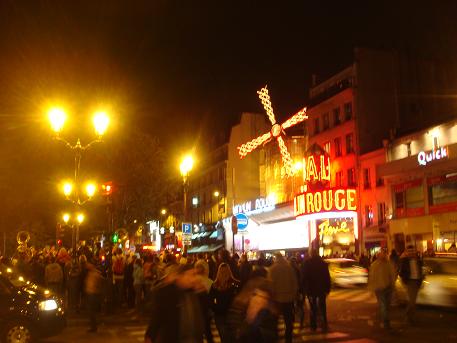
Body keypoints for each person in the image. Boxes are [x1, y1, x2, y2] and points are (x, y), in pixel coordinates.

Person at [144, 264, 205, 343]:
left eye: (194, 275)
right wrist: (150, 335)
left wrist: (202, 292)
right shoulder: (166, 292)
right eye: (191, 275)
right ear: (181, 276)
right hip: (173, 338)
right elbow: (157, 317)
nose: (193, 279)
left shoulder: (194, 292)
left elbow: (203, 317)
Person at [268, 253, 298, 343]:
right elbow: (295, 283)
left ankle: (275, 338)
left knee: (275, 321)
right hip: (288, 299)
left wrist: (271, 298)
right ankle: (288, 339)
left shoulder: (272, 269)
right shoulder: (289, 268)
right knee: (288, 321)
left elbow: (270, 285)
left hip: (277, 299)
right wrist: (293, 295)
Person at [209, 263, 239, 342]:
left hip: (219, 314)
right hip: (231, 315)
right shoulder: (234, 285)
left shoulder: (215, 285)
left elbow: (210, 300)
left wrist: (216, 308)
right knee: (231, 337)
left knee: (223, 336)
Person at [302, 250, 331, 332]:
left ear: (311, 254)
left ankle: (313, 324)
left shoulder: (307, 263)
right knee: (322, 306)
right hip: (321, 288)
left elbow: (304, 277)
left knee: (313, 307)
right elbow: (327, 277)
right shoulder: (323, 263)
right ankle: (324, 322)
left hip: (311, 289)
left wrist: (304, 288)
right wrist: (328, 288)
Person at [368, 249, 396, 329]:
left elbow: (392, 275)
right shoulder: (376, 265)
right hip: (381, 288)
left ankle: (384, 318)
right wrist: (371, 288)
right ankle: (385, 321)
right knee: (384, 305)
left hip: (385, 287)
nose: (383, 256)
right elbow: (372, 277)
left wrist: (393, 285)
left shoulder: (387, 264)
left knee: (385, 305)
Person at [399, 245, 423, 324]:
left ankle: (410, 318)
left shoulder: (418, 260)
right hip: (410, 282)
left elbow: (421, 270)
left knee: (413, 301)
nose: (411, 253)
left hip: (417, 281)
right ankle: (408, 317)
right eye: (409, 251)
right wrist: (405, 280)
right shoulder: (404, 261)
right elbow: (401, 272)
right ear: (406, 252)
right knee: (412, 301)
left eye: (413, 251)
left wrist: (421, 279)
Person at [84, 259, 104, 333]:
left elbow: (99, 284)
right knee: (91, 311)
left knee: (92, 311)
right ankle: (93, 326)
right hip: (91, 293)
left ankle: (93, 326)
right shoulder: (91, 273)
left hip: (93, 294)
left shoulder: (95, 274)